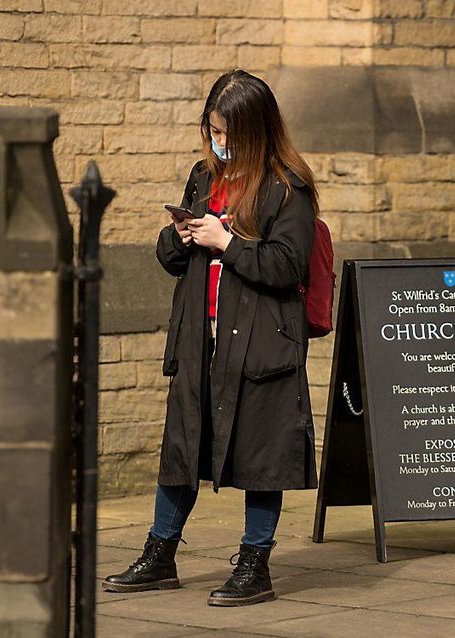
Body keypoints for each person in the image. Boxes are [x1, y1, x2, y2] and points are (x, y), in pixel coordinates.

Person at [102, 69, 319, 607]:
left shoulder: (287, 187)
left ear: (258, 129)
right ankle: (160, 555)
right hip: (203, 338)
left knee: (260, 456)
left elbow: (288, 263)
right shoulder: (203, 177)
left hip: (262, 342)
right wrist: (178, 236)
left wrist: (227, 241)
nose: (220, 142)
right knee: (182, 444)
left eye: (230, 133)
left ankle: (254, 564)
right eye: (214, 130)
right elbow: (174, 260)